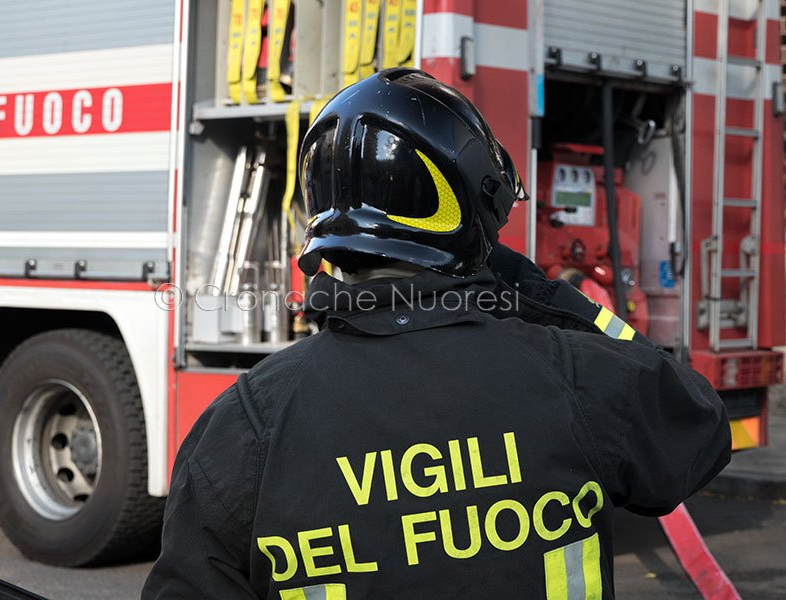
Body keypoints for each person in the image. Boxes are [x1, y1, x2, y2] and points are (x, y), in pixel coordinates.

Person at [142, 68, 730, 599]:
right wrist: (543, 293)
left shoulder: (247, 423)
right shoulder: (572, 376)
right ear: (472, 206)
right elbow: (696, 428)